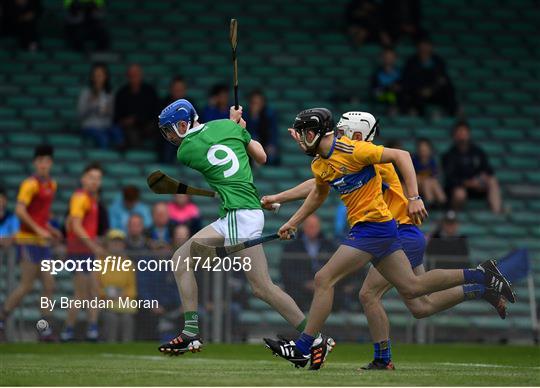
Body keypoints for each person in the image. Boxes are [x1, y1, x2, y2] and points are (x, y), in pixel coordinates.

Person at [261, 108, 514, 370]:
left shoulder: (359, 152)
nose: (340, 132)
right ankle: (481, 278)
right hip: (385, 229)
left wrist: (415, 197)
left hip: (379, 228)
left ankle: (305, 347)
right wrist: (290, 218)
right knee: (415, 293)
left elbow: (401, 156)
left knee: (326, 280)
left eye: (307, 134)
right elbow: (318, 189)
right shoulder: (324, 161)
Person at [156, 99, 325, 357]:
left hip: (238, 215)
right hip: (239, 212)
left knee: (262, 287)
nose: (169, 136)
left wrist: (235, 127)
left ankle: (314, 339)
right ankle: (191, 332)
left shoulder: (186, 151)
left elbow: (217, 158)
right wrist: (240, 129)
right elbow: (261, 156)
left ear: (183, 124)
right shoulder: (227, 126)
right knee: (182, 259)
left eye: (170, 129)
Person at [0, 145, 60, 342]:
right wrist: (39, 229)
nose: (43, 165)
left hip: (42, 243)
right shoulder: (30, 184)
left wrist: (49, 229)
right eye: (40, 161)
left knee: (49, 285)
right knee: (26, 285)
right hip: (27, 241)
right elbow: (20, 210)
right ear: (35, 163)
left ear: (50, 163)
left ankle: (44, 327)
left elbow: (41, 214)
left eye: (47, 161)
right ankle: (2, 317)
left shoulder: (52, 185)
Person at [61, 162, 105, 342]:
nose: (95, 182)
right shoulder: (80, 198)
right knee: (81, 294)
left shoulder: (91, 199)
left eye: (98, 179)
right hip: (80, 251)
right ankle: (68, 330)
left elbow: (69, 222)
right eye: (91, 178)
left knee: (93, 291)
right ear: (83, 179)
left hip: (85, 251)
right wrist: (94, 246)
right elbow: (76, 226)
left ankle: (91, 329)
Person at [442, 121, 502, 213]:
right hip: (458, 189)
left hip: (478, 187)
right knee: (460, 194)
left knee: (492, 181)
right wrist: (468, 183)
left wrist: (483, 178)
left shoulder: (478, 152)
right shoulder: (449, 155)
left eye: (464, 132)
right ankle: (455, 217)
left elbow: (488, 170)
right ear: (454, 135)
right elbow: (450, 179)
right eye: (459, 133)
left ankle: (497, 212)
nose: (462, 136)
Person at [280, 215, 335, 311]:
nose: (312, 229)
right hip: (299, 291)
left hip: (324, 287)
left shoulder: (329, 246)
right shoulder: (292, 247)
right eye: (310, 226)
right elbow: (287, 271)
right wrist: (305, 283)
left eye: (315, 226)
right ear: (303, 227)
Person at [401, 37, 457, 116]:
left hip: (434, 90)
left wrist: (431, 89)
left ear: (431, 47)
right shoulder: (411, 62)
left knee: (448, 89)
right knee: (406, 94)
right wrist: (421, 90)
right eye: (422, 47)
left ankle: (451, 112)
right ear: (418, 48)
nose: (424, 49)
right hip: (418, 91)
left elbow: (442, 79)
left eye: (426, 47)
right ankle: (415, 113)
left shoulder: (438, 61)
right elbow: (408, 80)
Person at [99, 229, 137, 342]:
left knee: (127, 319)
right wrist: (105, 296)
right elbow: (95, 286)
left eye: (119, 242)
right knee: (111, 318)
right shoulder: (99, 262)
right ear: (107, 244)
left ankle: (126, 347)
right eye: (113, 241)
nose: (116, 244)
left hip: (123, 302)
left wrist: (123, 296)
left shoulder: (129, 264)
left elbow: (132, 288)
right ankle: (110, 345)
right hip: (104, 302)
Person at [78, 63, 124, 149]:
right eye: (96, 75)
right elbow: (81, 114)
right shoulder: (86, 93)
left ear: (105, 77)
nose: (98, 78)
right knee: (103, 138)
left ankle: (120, 158)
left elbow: (111, 114)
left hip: (105, 125)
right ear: (92, 77)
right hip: (89, 125)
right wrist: (91, 103)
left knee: (117, 132)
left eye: (100, 75)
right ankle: (104, 159)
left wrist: (107, 109)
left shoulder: (109, 94)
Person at [114, 64, 159, 148]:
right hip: (130, 127)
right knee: (132, 136)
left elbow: (155, 111)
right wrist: (125, 121)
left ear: (141, 75)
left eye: (136, 75)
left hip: (147, 124)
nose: (134, 77)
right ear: (127, 77)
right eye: (131, 75)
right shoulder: (122, 93)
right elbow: (117, 116)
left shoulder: (150, 91)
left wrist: (137, 119)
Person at [160, 77, 196, 163]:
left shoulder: (190, 104)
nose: (178, 92)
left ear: (185, 90)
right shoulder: (164, 105)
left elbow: (196, 122)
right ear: (171, 90)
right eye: (176, 89)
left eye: (180, 89)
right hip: (170, 137)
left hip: (188, 136)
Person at [245, 90, 280, 165]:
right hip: (249, 144)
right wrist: (253, 117)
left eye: (259, 103)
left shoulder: (269, 115)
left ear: (263, 103)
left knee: (272, 156)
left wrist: (272, 144)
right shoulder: (245, 115)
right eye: (254, 103)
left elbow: (273, 132)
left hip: (265, 143)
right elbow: (247, 132)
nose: (256, 105)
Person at [412, 138, 446, 207]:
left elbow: (435, 176)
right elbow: (413, 177)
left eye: (425, 149)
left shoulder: (432, 162)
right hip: (417, 186)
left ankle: (441, 201)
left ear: (430, 150)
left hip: (430, 185)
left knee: (432, 182)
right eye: (422, 149)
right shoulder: (414, 161)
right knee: (427, 182)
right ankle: (431, 202)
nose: (423, 151)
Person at [370, 47, 402, 114]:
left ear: (395, 58)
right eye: (386, 57)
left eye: (391, 57)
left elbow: (402, 87)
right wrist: (388, 88)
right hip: (382, 97)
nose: (388, 59)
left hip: (397, 98)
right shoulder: (377, 73)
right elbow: (375, 90)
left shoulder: (400, 73)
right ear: (382, 58)